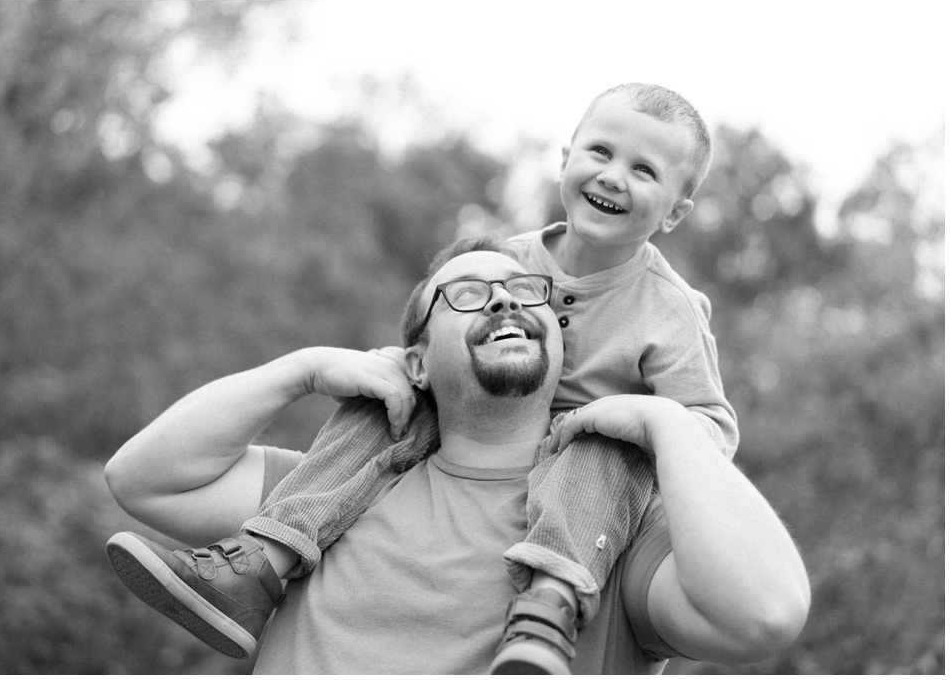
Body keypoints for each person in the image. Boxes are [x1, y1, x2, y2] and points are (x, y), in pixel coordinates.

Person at [105, 83, 741, 673]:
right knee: (381, 399)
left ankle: (549, 606)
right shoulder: (505, 258)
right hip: (437, 431)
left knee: (606, 452)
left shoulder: (669, 310)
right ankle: (261, 560)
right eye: (601, 151)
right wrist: (314, 369)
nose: (613, 175)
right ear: (566, 157)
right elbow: (140, 478)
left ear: (675, 213)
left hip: (588, 470)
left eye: (644, 170)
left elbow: (711, 432)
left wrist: (644, 422)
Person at [104, 243, 809, 674]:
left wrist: (667, 422)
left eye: (529, 292)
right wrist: (303, 370)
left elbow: (767, 615)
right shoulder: (328, 495)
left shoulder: (609, 521)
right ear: (414, 358)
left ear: (561, 349)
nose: (504, 296)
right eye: (466, 294)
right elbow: (142, 479)